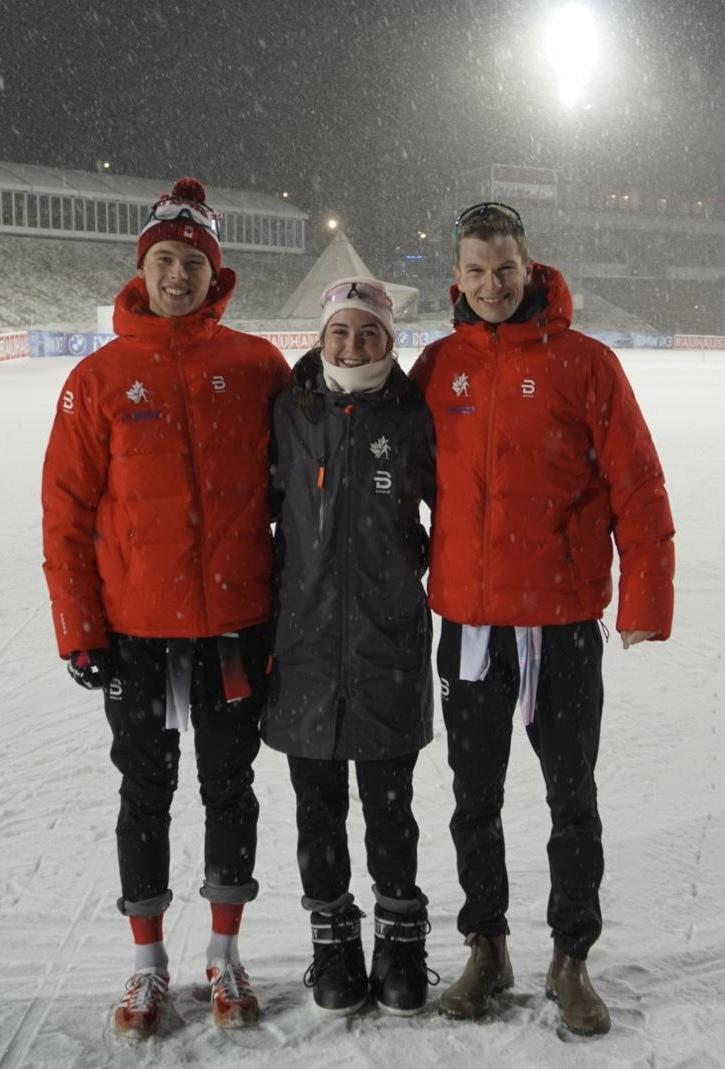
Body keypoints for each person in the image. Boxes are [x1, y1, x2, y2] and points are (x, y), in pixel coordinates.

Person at [410, 202, 675, 1036]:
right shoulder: (437, 366)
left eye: (504, 269)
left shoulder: (584, 363)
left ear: (529, 269)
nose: (491, 285)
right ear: (456, 276)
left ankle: (570, 957)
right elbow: (392, 477)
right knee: (472, 798)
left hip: (558, 624)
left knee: (571, 799)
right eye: (476, 271)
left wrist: (644, 597)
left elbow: (637, 484)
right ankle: (486, 946)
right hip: (469, 627)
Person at [41, 177, 290, 1038]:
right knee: (144, 791)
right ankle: (147, 963)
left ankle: (224, 952)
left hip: (233, 626)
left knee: (230, 786)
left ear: (216, 274)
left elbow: (300, 488)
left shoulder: (256, 366)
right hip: (136, 628)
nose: (178, 275)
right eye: (165, 261)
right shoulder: (99, 377)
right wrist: (79, 628)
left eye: (193, 262)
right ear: (141, 269)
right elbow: (66, 510)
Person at [262, 277, 437, 1017]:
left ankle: (400, 936)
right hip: (304, 642)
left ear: (389, 340)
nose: (353, 344)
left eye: (369, 332)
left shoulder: (411, 412)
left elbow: (455, 509)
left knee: (391, 808)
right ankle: (332, 936)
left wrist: (409, 570)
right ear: (321, 337)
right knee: (317, 807)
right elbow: (258, 507)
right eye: (340, 330)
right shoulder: (290, 411)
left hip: (385, 640)